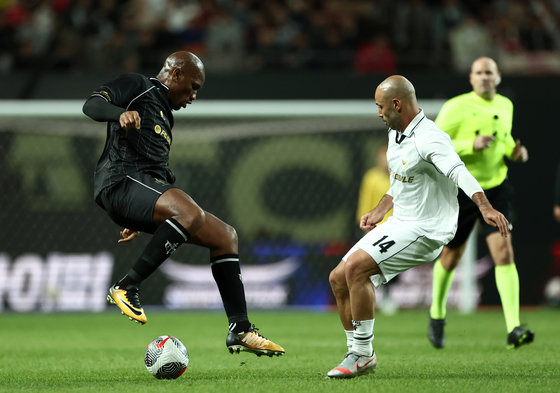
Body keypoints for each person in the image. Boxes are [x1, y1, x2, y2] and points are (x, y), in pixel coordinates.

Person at [82, 51, 284, 357]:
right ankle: (126, 286)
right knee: (189, 211)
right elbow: (92, 105)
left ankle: (241, 329)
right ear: (175, 74)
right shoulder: (139, 86)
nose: (193, 96)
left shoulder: (166, 115)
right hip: (119, 181)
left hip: (139, 191)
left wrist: (140, 213)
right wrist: (118, 114)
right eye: (193, 87)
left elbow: (154, 171)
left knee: (225, 236)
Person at [327, 75, 510, 379]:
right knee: (337, 278)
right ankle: (357, 352)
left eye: (380, 106)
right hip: (400, 222)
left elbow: (458, 172)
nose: (378, 113)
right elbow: (399, 183)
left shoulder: (430, 137)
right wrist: (379, 210)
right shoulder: (396, 133)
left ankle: (361, 353)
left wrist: (484, 206)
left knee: (356, 269)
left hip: (427, 229)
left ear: (396, 104)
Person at [428, 57, 533, 350]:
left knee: (504, 252)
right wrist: (468, 146)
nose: (485, 77)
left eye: (489, 72)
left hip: (497, 189)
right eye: (479, 73)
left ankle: (514, 327)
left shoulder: (505, 105)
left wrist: (515, 152)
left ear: (498, 77)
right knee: (451, 257)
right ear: (471, 78)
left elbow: (505, 140)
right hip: (462, 190)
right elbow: (433, 143)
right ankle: (436, 314)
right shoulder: (456, 107)